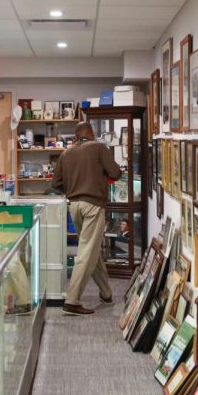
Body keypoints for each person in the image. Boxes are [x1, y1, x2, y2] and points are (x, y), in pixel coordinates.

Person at [50, 122, 122, 315]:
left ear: (76, 136)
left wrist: (73, 188)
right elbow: (116, 173)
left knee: (92, 249)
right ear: (91, 134)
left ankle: (106, 293)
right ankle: (72, 300)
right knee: (86, 252)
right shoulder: (99, 148)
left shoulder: (66, 154)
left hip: (74, 206)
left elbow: (56, 184)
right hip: (93, 205)